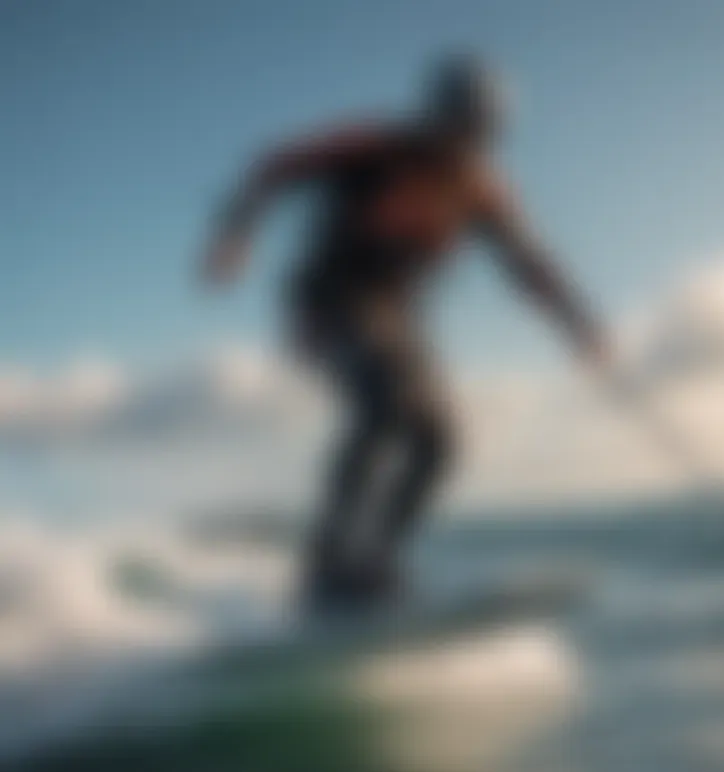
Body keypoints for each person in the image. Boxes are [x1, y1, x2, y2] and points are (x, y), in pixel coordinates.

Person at [200, 54, 611, 608]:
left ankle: (377, 563)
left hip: (396, 313)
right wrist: (235, 234)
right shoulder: (373, 148)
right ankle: (327, 567)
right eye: (457, 126)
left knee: (439, 441)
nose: (464, 143)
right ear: (435, 116)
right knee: (384, 405)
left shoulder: (480, 189)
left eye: (479, 133)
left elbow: (527, 261)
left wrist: (579, 324)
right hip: (332, 301)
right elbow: (274, 165)